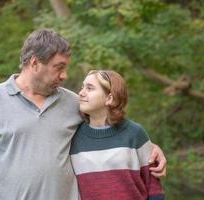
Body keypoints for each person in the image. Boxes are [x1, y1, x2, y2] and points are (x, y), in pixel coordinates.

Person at [0, 29, 166, 200]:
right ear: (35, 63)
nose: (64, 75)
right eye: (58, 67)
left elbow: (111, 127)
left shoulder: (74, 103)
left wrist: (151, 149)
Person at [70, 70, 164, 200]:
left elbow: (153, 187)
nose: (81, 93)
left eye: (89, 88)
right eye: (82, 87)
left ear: (109, 98)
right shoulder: (73, 136)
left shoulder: (135, 133)